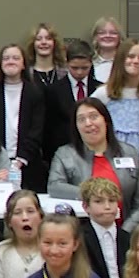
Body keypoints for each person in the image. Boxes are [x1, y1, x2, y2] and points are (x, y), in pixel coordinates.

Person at [49, 98, 139, 230]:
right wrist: (94, 194)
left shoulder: (129, 153)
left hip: (126, 231)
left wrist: (124, 233)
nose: (88, 123)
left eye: (93, 117)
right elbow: (54, 187)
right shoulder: (65, 154)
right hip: (83, 233)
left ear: (106, 120)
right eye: (81, 119)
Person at [92, 39, 139, 218]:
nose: (135, 61)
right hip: (113, 154)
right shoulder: (104, 93)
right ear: (121, 58)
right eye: (131, 56)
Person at [0, 43, 43, 189]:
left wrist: (20, 160)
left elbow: (37, 130)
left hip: (28, 163)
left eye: (15, 58)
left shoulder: (35, 92)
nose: (10, 61)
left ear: (23, 64)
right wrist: (1, 160)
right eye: (6, 58)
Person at [40, 39, 97, 193]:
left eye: (84, 68)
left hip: (95, 152)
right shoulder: (53, 91)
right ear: (66, 63)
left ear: (91, 63)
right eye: (74, 68)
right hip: (63, 153)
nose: (79, 72)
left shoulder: (99, 88)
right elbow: (48, 128)